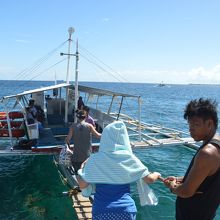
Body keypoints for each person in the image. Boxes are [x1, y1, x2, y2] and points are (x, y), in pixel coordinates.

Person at [77, 121, 161, 220]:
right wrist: (157, 174)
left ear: (104, 138)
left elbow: (82, 185)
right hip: (126, 211)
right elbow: (150, 179)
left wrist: (81, 168)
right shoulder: (129, 158)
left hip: (102, 210)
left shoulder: (94, 159)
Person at [163, 98, 220, 220]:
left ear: (210, 123)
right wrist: (180, 179)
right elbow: (207, 178)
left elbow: (186, 192)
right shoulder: (217, 145)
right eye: (189, 124)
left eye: (196, 124)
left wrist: (172, 186)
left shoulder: (207, 153)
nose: (190, 129)